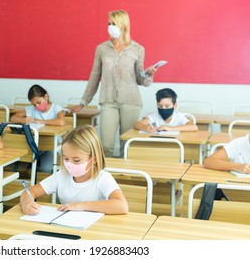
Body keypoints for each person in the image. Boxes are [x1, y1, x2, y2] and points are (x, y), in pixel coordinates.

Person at [70, 10, 161, 157]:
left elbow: (140, 79)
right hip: (108, 101)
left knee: (127, 143)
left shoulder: (138, 49)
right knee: (105, 145)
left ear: (123, 25)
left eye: (114, 23)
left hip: (131, 101)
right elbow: (95, 75)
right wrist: (83, 102)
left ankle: (124, 177)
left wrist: (148, 74)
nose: (110, 27)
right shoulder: (101, 49)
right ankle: (105, 177)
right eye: (109, 23)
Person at [20, 124, 128, 215]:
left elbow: (122, 206)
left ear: (94, 159)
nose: (69, 164)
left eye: (76, 160)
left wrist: (81, 206)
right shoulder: (62, 176)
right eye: (66, 159)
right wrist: (26, 204)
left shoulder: (103, 178)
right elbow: (30, 191)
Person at [11, 84, 65, 173]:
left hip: (51, 146)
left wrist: (41, 121)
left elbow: (61, 122)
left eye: (39, 102)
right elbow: (13, 118)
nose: (36, 106)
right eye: (34, 104)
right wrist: (24, 119)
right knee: (22, 163)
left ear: (46, 96)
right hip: (34, 145)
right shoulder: (31, 109)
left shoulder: (56, 108)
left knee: (45, 169)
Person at [133, 88, 198, 132]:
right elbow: (137, 124)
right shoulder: (155, 115)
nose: (163, 108)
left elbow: (194, 127)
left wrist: (170, 128)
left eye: (167, 106)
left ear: (175, 105)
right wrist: (146, 128)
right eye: (160, 106)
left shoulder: (179, 117)